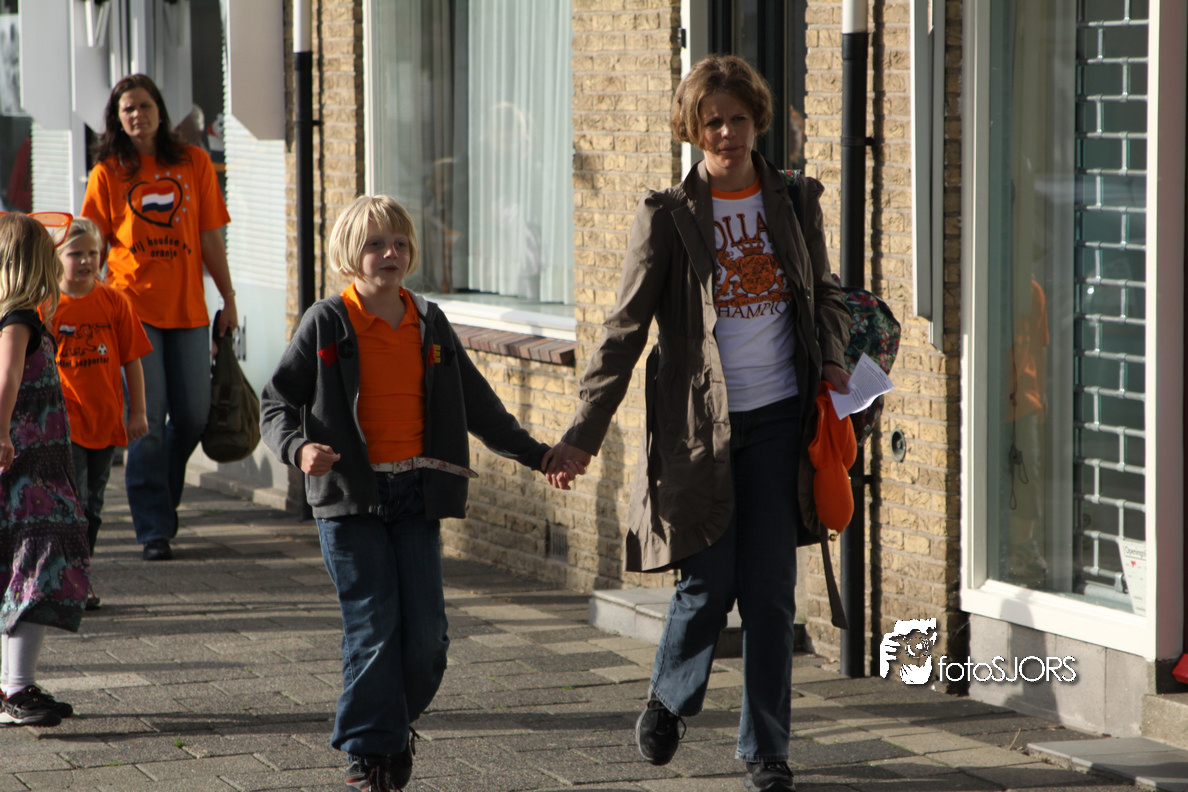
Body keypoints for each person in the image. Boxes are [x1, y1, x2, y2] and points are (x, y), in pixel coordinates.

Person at [544, 55, 852, 792]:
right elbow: (624, 331)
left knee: (771, 597)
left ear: (757, 120)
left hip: (779, 422)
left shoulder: (794, 199)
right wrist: (582, 434)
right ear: (692, 128)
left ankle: (766, 752)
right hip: (698, 431)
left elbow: (828, 295)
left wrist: (837, 359)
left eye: (738, 118)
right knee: (706, 585)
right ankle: (670, 696)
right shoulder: (669, 215)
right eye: (712, 121)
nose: (727, 133)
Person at [260, 195, 552, 792]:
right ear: (349, 254)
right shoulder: (327, 321)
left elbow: (479, 406)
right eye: (375, 244)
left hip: (417, 493)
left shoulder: (430, 321)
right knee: (373, 626)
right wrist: (298, 449)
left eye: (399, 242)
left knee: (427, 639)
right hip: (350, 498)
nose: (390, 253)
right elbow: (276, 402)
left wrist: (539, 455)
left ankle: (390, 724)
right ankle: (371, 753)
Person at [81, 74, 238, 562]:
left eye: (144, 106)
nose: (137, 115)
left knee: (192, 416)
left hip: (188, 310)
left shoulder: (193, 162)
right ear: (116, 119)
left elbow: (210, 236)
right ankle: (153, 528)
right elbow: (90, 246)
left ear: (160, 110)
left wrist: (228, 297)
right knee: (146, 420)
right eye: (127, 109)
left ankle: (160, 504)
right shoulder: (107, 172)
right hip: (130, 310)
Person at [0, 212, 90, 728]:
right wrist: (2, 432)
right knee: (37, 561)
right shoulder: (19, 319)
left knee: (18, 568)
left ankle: (11, 683)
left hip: (32, 466)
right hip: (28, 470)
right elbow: (8, 377)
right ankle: (17, 686)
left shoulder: (18, 316)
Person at [42, 217, 153, 609]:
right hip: (64, 423)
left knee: (93, 506)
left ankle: (78, 575)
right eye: (76, 254)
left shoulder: (115, 301)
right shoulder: (46, 306)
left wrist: (138, 412)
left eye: (93, 253)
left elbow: (133, 360)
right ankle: (70, 580)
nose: (87, 261)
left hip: (106, 421)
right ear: (56, 257)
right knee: (72, 503)